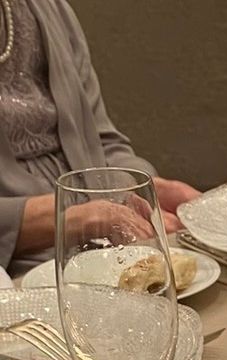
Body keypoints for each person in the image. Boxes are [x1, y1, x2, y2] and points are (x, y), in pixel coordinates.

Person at [0, 0, 199, 273]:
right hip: (16, 271)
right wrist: (71, 219)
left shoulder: (51, 9)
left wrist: (139, 187)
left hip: (100, 249)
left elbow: (102, 142)